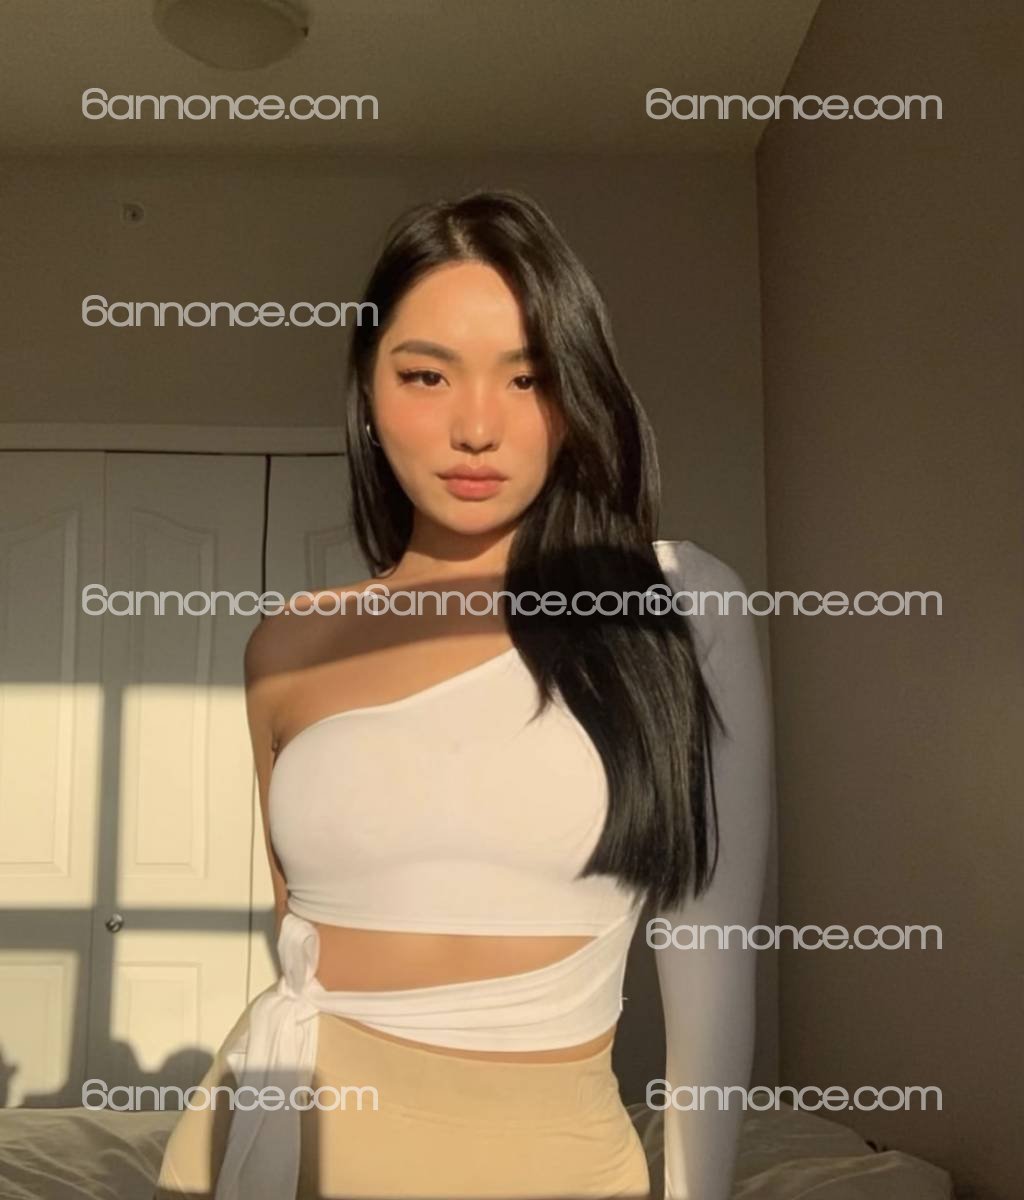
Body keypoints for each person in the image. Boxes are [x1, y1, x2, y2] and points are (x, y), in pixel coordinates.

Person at [154, 189, 771, 1199]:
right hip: (277, 1144)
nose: (476, 427)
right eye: (426, 375)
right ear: (368, 392)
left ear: (576, 397)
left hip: (556, 1162)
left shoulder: (675, 605)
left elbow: (713, 971)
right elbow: (298, 944)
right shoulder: (287, 644)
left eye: (527, 377)